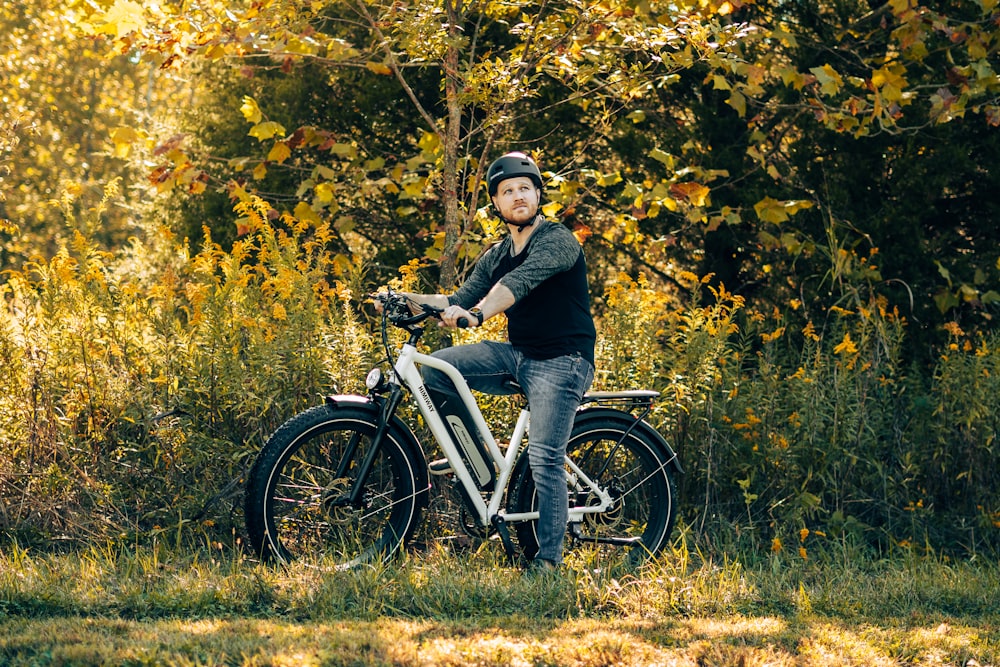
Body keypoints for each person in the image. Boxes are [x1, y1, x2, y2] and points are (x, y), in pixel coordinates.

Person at [396, 151, 596, 571]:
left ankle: (548, 562)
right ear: (497, 204)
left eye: (525, 187)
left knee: (545, 457)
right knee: (434, 371)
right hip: (518, 356)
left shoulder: (558, 240)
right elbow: (454, 300)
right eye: (508, 191)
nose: (518, 195)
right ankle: (482, 468)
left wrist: (479, 315)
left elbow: (515, 285)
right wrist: (401, 298)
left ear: (538, 194)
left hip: (563, 361)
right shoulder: (497, 252)